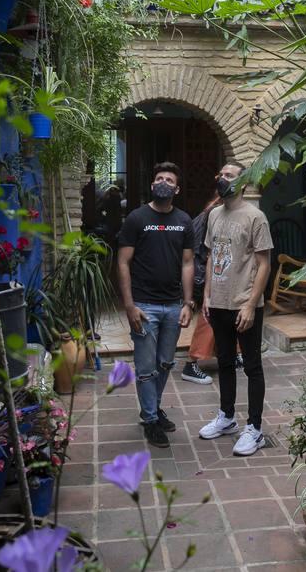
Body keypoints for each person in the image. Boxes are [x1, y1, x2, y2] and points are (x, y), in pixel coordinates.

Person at [117, 162, 195, 448]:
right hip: (144, 305)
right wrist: (129, 305)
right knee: (146, 367)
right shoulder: (137, 218)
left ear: (177, 188)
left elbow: (188, 263)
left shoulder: (184, 221)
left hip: (173, 305)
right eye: (159, 178)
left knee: (165, 363)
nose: (164, 182)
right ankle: (150, 420)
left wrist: (188, 302)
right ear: (152, 185)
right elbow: (123, 263)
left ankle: (153, 408)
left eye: (169, 179)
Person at [198, 162, 273, 456]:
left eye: (229, 175)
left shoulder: (256, 217)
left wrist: (251, 305)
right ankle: (227, 417)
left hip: (244, 303)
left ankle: (254, 429)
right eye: (220, 174)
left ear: (242, 182)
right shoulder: (215, 214)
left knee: (252, 366)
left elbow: (264, 263)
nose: (222, 178)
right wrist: (206, 296)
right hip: (218, 302)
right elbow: (210, 255)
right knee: (225, 362)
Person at [182, 196, 243, 385]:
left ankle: (232, 354)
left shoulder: (218, 215)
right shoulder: (210, 216)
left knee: (227, 316)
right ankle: (191, 363)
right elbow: (199, 252)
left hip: (222, 274)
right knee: (209, 317)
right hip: (211, 276)